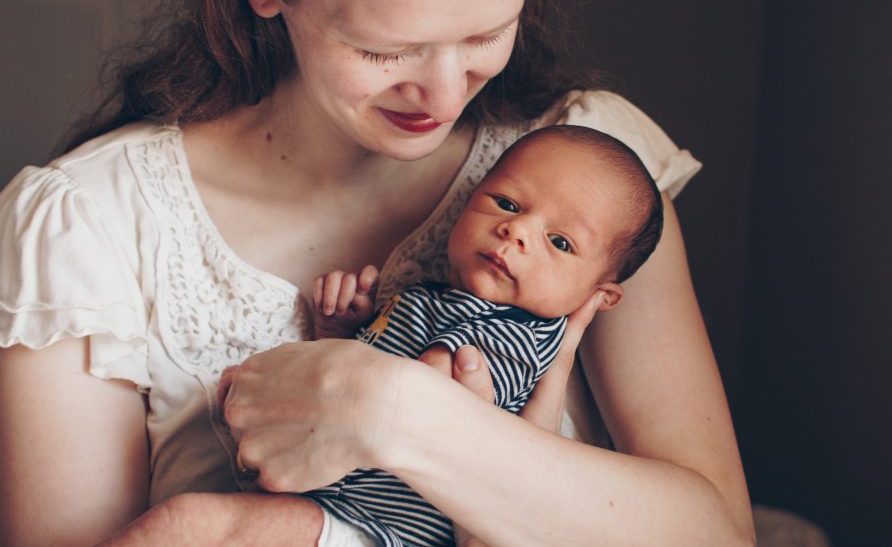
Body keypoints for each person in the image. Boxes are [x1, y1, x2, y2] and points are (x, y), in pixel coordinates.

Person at [0, 0, 755, 546]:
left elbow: (719, 534)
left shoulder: (587, 177)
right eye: (385, 50)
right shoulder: (86, 223)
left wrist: (389, 410)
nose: (447, 93)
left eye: (487, 35)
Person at [136, 124, 663, 547]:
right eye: (507, 203)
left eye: (560, 242)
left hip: (384, 528)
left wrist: (411, 371)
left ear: (601, 294)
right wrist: (341, 332)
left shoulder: (524, 337)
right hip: (333, 505)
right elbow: (368, 382)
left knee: (188, 526)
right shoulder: (429, 296)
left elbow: (423, 401)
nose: (518, 232)